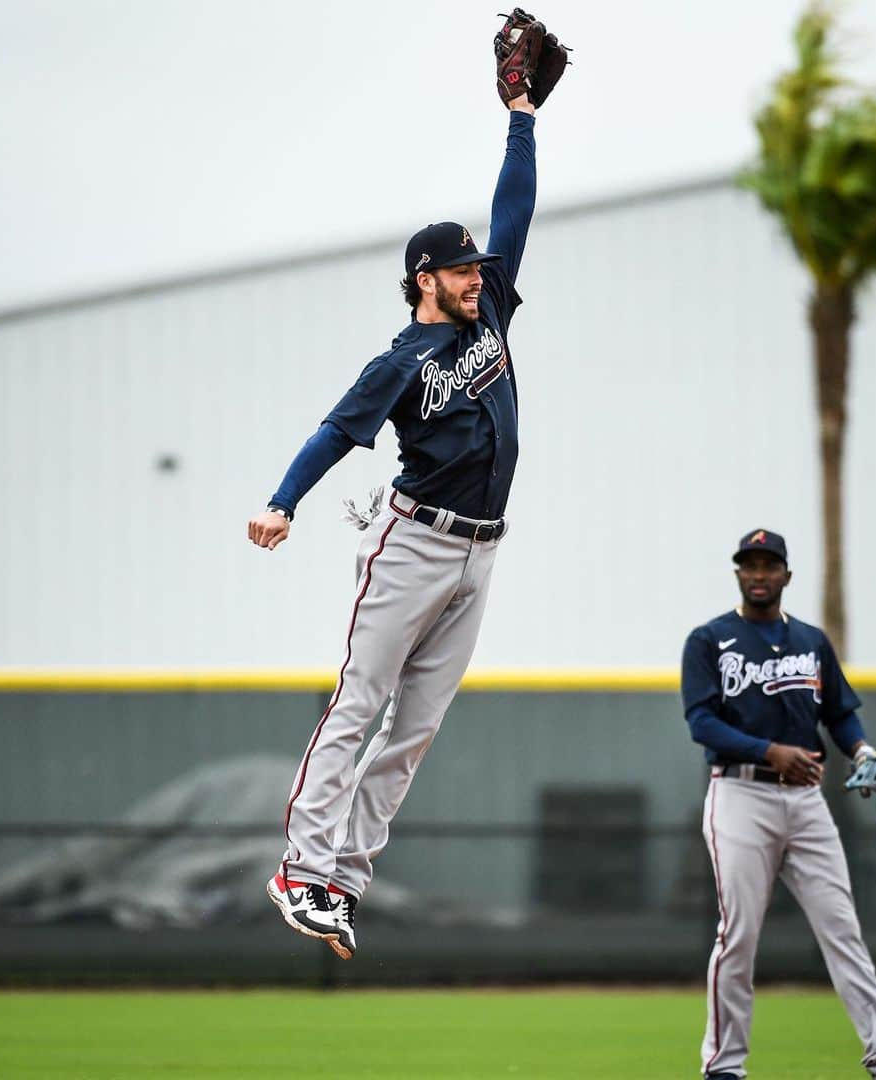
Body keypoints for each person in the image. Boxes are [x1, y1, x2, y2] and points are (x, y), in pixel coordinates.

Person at [247, 88, 539, 960]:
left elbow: (514, 210)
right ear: (426, 279)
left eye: (477, 269)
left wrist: (522, 119)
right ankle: (300, 869)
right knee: (360, 704)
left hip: (482, 553)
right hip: (414, 544)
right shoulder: (400, 361)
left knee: (412, 732)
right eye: (461, 270)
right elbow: (340, 430)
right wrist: (283, 500)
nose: (477, 276)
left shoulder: (487, 310)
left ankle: (341, 883)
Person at [680, 528, 876, 1080]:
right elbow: (702, 721)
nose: (759, 574)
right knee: (738, 935)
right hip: (739, 794)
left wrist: (864, 752)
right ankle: (724, 1067)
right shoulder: (710, 639)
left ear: (787, 575)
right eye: (749, 565)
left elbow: (839, 714)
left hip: (805, 802)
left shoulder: (811, 641)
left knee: (843, 930)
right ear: (739, 574)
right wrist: (770, 750)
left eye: (769, 565)